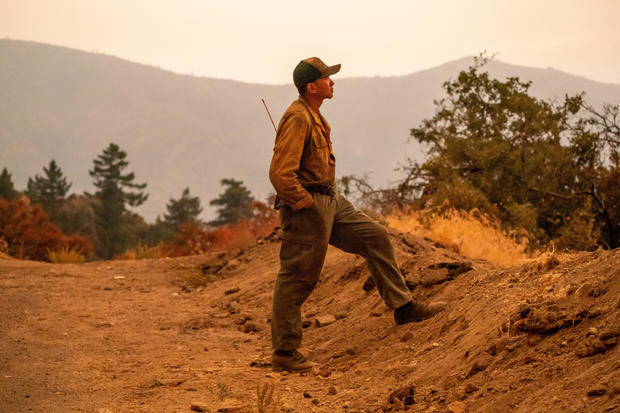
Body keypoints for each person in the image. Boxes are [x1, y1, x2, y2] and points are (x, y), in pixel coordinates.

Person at [268, 57, 446, 373]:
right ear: (312, 87)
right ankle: (285, 352)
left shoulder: (312, 114)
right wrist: (304, 203)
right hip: (309, 206)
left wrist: (321, 201)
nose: (332, 82)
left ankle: (403, 307)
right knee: (298, 277)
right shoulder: (297, 118)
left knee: (374, 235)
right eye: (327, 78)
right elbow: (281, 175)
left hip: (330, 199)